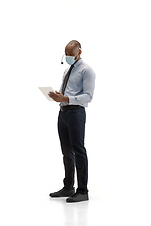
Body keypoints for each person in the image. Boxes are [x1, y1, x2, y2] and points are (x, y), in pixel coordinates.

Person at [48, 40, 96, 203]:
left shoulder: (87, 70)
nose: (68, 56)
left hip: (76, 113)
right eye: (66, 54)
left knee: (78, 150)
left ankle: (83, 191)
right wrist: (58, 96)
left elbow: (88, 96)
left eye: (70, 54)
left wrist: (67, 98)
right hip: (63, 113)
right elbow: (67, 92)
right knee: (66, 151)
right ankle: (68, 187)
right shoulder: (67, 70)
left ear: (79, 52)